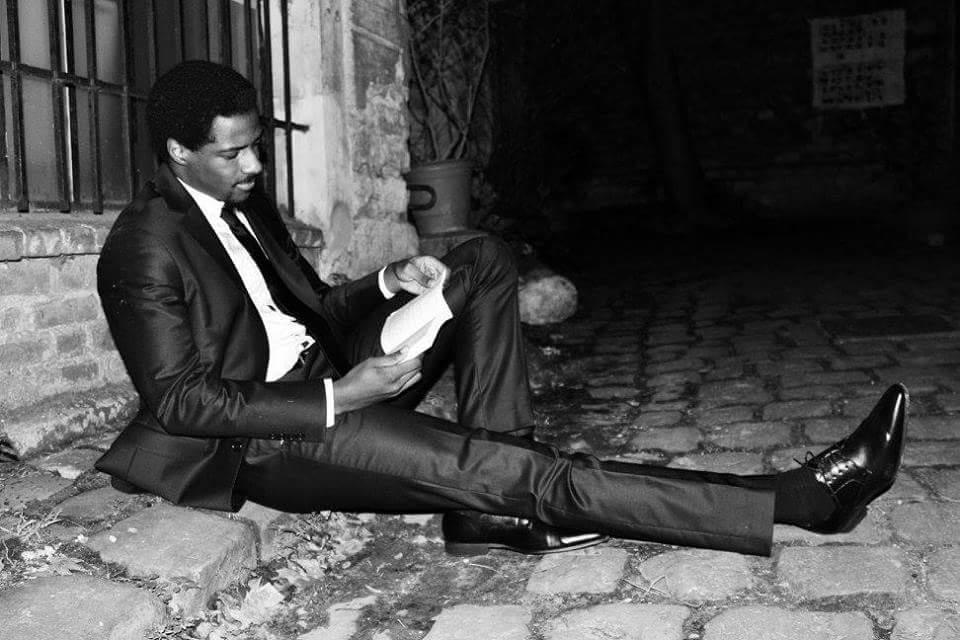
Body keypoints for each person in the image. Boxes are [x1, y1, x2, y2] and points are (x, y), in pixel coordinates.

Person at [95, 60, 907, 558]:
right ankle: (802, 500)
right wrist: (343, 397)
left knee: (480, 258)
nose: (254, 166)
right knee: (530, 476)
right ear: (178, 152)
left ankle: (488, 506)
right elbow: (184, 401)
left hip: (335, 371)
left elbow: (314, 310)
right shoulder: (144, 246)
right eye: (234, 152)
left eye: (257, 146)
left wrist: (388, 282)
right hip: (279, 434)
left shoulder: (239, 201)